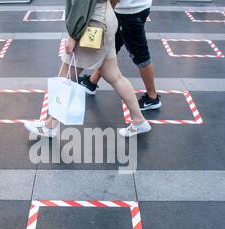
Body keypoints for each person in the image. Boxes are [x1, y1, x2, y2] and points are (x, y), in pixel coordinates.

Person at [24, 0, 151, 138]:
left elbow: (82, 3)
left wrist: (73, 35)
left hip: (91, 24)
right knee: (114, 76)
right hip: (105, 17)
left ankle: (50, 125)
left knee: (66, 76)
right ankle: (139, 121)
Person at [78, 0, 161, 111]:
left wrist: (107, 12)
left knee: (140, 55)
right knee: (111, 46)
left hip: (128, 13)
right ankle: (92, 82)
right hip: (134, 8)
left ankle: (152, 97)